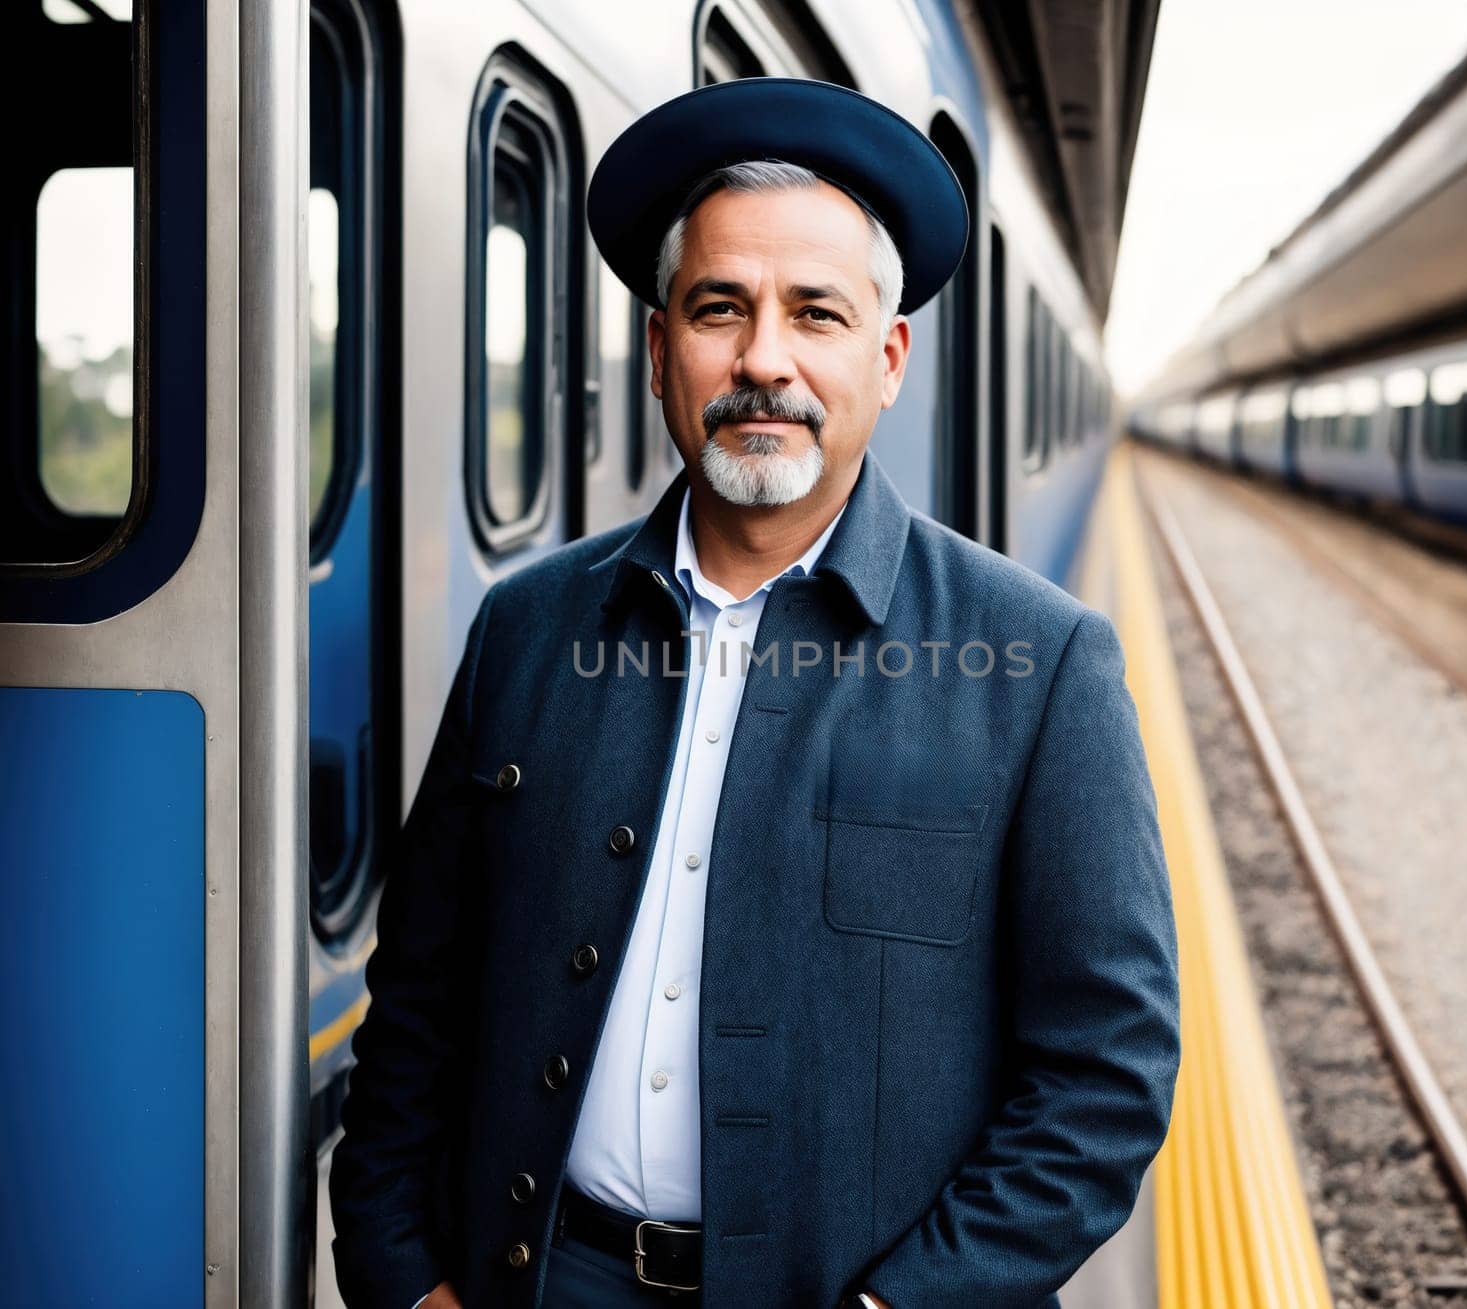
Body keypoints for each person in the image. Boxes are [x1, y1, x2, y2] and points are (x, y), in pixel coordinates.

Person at [330, 76, 1179, 1309]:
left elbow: (1103, 1076)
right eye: (719, 308)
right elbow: (416, 1008)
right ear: (662, 347)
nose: (763, 359)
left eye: (815, 314)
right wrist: (405, 1279)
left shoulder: (1039, 663)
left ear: (885, 361)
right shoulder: (527, 628)